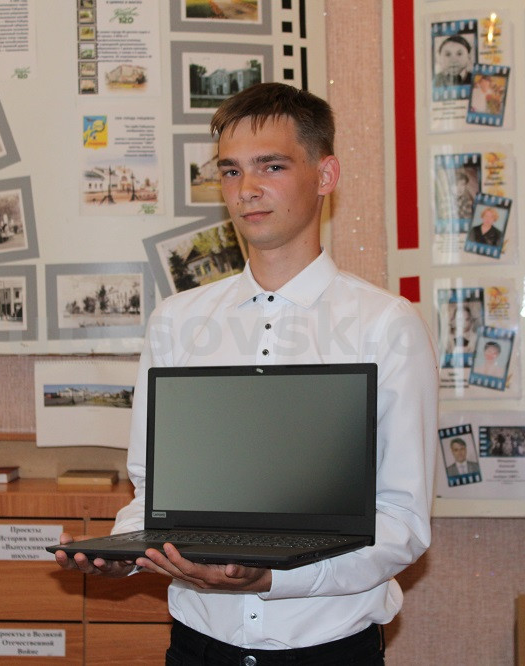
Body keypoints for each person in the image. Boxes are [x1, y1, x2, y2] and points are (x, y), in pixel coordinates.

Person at [54, 82, 438, 662]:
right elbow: (153, 492)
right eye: (230, 171)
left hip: (327, 651)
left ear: (326, 175)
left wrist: (274, 578)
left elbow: (402, 521)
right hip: (198, 648)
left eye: (271, 166)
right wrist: (126, 555)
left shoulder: (386, 325)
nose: (247, 189)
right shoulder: (176, 321)